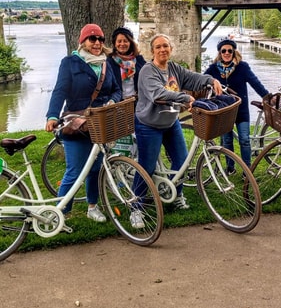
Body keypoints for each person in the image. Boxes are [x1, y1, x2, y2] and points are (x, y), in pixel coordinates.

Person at [135, 34, 223, 211]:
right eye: (158, 47)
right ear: (152, 51)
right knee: (147, 167)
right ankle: (136, 206)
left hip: (170, 122)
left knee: (182, 162)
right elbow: (158, 94)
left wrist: (211, 80)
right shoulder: (148, 71)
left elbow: (193, 78)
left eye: (166, 46)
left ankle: (176, 195)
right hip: (149, 125)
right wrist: (185, 97)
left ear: (171, 49)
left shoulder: (174, 68)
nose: (162, 50)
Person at [45, 23, 122, 221]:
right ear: (83, 41)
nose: (97, 43)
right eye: (92, 39)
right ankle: (61, 212)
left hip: (100, 122)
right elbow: (60, 90)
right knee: (75, 171)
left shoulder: (106, 63)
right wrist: (52, 116)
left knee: (96, 169)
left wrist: (113, 101)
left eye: (100, 39)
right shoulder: (70, 62)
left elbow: (116, 89)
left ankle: (92, 206)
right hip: (76, 124)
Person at [205, 38, 269, 174]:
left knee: (244, 139)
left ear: (234, 52)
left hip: (241, 110)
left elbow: (255, 83)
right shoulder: (213, 69)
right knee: (227, 141)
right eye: (224, 50)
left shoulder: (242, 67)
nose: (227, 53)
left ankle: (247, 169)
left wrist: (267, 96)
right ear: (220, 53)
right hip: (224, 111)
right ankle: (230, 168)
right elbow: (201, 81)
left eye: (230, 50)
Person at [107, 26, 146, 99]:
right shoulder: (109, 62)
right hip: (117, 103)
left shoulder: (139, 60)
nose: (122, 44)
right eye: (119, 41)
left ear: (130, 43)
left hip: (136, 101)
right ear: (115, 44)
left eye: (125, 41)